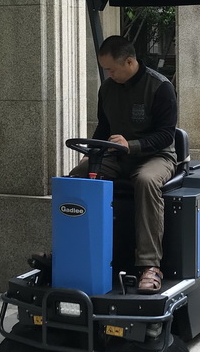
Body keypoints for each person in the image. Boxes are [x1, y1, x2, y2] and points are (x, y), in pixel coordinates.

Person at [68, 35, 177, 294]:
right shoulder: (108, 89)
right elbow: (104, 127)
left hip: (156, 156)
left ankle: (150, 265)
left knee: (146, 180)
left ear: (129, 62)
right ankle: (72, 250)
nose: (108, 74)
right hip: (116, 156)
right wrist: (92, 154)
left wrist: (132, 145)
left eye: (111, 69)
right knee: (77, 176)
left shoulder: (160, 87)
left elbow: (166, 135)